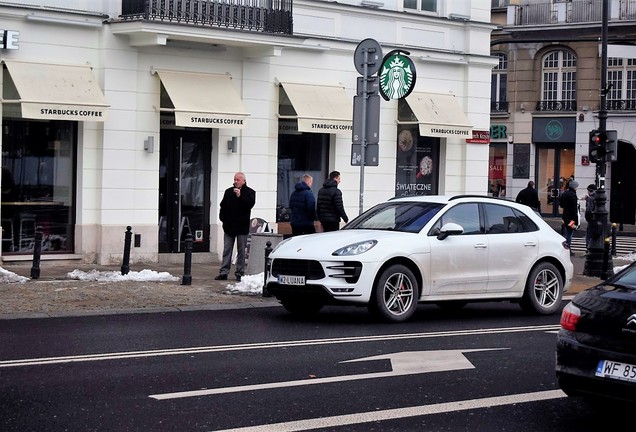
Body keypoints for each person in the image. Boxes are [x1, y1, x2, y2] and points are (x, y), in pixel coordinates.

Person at [216, 172, 256, 282]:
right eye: (234, 179)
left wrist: (240, 196)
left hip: (241, 227)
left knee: (241, 251)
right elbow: (222, 206)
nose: (235, 182)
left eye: (238, 180)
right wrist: (223, 219)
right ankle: (224, 272)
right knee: (227, 250)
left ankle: (240, 272)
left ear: (243, 181)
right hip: (229, 226)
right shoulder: (229, 192)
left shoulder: (250, 192)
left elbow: (249, 205)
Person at [559, 179, 579, 256]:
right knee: (569, 234)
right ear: (574, 187)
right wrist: (576, 221)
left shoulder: (565, 193)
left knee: (566, 233)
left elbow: (561, 204)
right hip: (571, 218)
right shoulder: (573, 195)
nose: (577, 188)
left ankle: (565, 248)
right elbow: (574, 209)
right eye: (576, 187)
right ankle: (567, 249)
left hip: (565, 216)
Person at [583, 183, 596, 249]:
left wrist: (587, 216)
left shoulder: (591, 198)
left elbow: (589, 209)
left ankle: (588, 248)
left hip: (591, 218)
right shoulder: (596, 197)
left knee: (589, 234)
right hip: (595, 218)